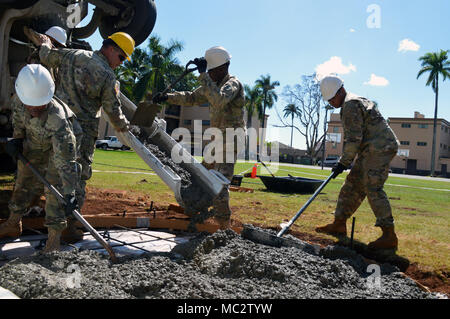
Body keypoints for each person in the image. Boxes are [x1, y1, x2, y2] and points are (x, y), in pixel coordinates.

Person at [24, 28, 133, 241]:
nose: (120, 62)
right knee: (78, 178)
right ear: (110, 49)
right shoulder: (108, 76)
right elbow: (113, 112)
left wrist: (45, 43)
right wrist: (127, 127)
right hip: (81, 136)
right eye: (121, 57)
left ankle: (31, 216)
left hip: (55, 126)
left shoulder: (73, 55)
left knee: (52, 173)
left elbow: (47, 56)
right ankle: (69, 227)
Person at [153, 46, 245, 229]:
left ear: (222, 68)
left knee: (219, 183)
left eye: (211, 71)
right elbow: (191, 97)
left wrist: (203, 75)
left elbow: (219, 100)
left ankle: (224, 225)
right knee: (202, 175)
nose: (209, 75)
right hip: (216, 140)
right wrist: (167, 98)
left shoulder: (232, 84)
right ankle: (199, 209)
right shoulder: (212, 84)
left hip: (230, 141)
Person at [0, 64, 80, 252]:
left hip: (58, 148)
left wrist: (70, 193)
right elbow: (19, 124)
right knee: (23, 180)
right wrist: (17, 141)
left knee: (54, 187)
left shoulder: (58, 119)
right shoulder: (18, 101)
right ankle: (13, 222)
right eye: (30, 105)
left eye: (40, 105)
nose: (34, 109)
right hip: (35, 144)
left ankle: (54, 239)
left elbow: (66, 163)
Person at [315, 75, 400, 250]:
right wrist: (345, 162)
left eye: (331, 99)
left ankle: (389, 235)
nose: (330, 103)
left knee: (372, 186)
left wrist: (343, 162)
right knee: (352, 184)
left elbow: (353, 139)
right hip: (370, 148)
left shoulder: (350, 105)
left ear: (339, 92)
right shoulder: (351, 101)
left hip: (380, 148)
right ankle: (339, 224)